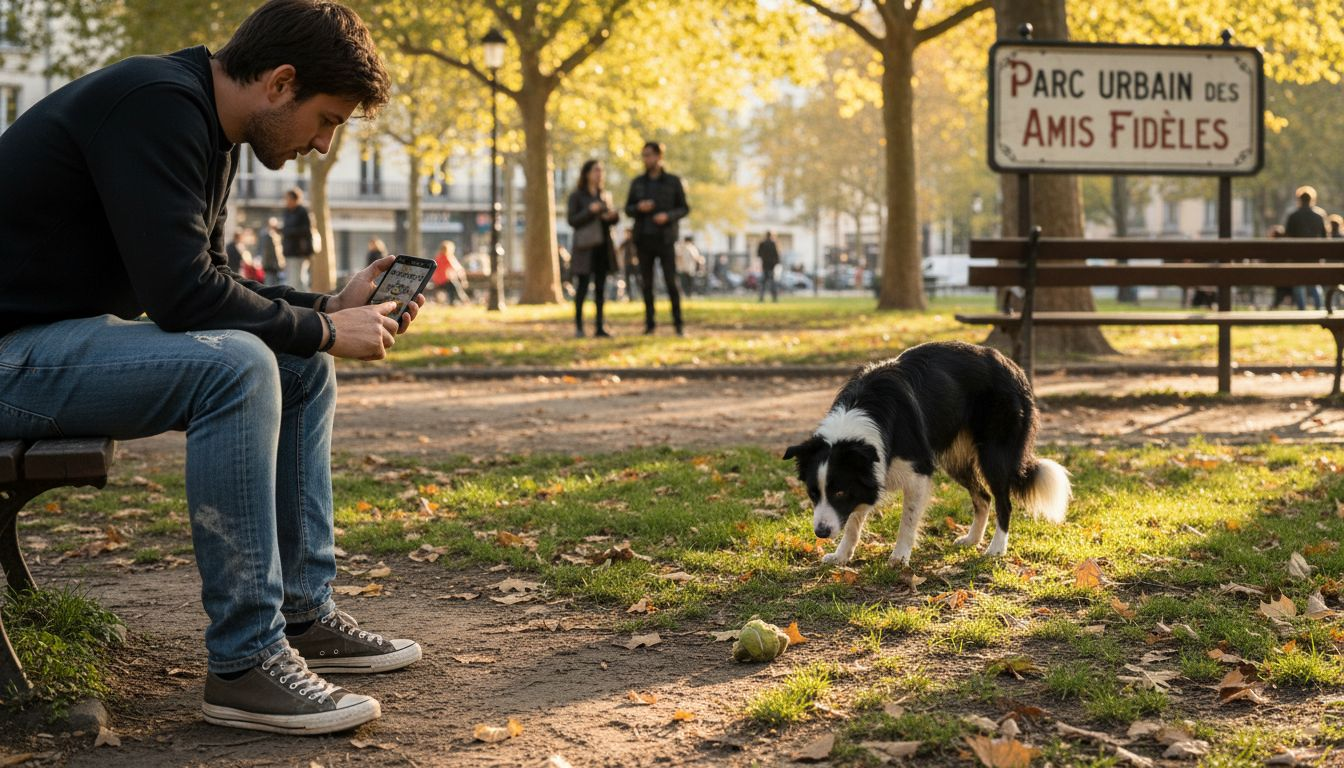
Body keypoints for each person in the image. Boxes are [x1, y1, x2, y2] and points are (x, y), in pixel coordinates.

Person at [0, 0, 421, 736]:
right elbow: (183, 298)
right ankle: (245, 662)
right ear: (281, 82)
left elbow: (210, 279)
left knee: (295, 366)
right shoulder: (156, 106)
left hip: (46, 343)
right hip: (11, 355)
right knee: (239, 367)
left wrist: (326, 305)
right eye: (327, 120)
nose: (324, 145)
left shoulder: (206, 124)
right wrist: (325, 327)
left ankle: (302, 614)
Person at [625, 141, 690, 336]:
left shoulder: (673, 181)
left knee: (671, 281)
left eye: (649, 155)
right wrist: (639, 208)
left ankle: (678, 324)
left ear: (659, 156)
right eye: (644, 155)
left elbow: (684, 208)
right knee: (647, 283)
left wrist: (668, 216)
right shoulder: (637, 183)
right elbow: (628, 208)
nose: (646, 159)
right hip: (643, 238)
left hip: (665, 239)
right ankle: (650, 324)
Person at [566, 159, 619, 337]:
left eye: (601, 171)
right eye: (596, 170)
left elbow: (612, 220)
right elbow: (572, 220)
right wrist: (590, 210)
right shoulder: (577, 196)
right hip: (585, 248)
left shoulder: (604, 195)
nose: (599, 174)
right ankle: (579, 327)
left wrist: (612, 216)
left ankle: (599, 326)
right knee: (581, 287)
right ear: (587, 173)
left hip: (603, 247)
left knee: (600, 289)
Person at [1283, 186, 1328, 310]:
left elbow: (1288, 235)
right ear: (1312, 199)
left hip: (1298, 255)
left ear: (1299, 199)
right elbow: (1325, 237)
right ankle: (1319, 307)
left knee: (1299, 283)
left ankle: (1302, 309)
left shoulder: (1294, 215)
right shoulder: (1319, 216)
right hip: (1314, 255)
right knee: (1314, 283)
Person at [282, 186, 314, 291]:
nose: (286, 201)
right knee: (292, 280)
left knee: (299, 280)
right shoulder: (286, 212)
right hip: (289, 252)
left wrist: (288, 231)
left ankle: (307, 301)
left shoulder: (302, 212)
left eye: (288, 198)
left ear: (295, 199)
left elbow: (306, 231)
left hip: (299, 252)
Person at [431, 240, 469, 304]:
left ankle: (455, 301)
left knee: (453, 284)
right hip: (443, 281)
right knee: (455, 286)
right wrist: (464, 280)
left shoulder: (438, 257)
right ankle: (463, 300)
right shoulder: (447, 257)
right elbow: (458, 269)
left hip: (437, 281)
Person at [259, 217, 286, 286]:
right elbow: (272, 252)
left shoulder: (274, 236)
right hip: (271, 265)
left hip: (273, 265)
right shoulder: (269, 236)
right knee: (270, 283)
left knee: (273, 283)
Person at [757, 231, 781, 303]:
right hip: (771, 266)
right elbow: (777, 256)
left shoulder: (762, 244)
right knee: (772, 283)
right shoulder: (773, 244)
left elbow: (758, 254)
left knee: (763, 283)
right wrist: (776, 263)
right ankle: (774, 298)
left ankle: (761, 297)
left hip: (765, 266)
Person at [617, 227, 639, 302]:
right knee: (627, 280)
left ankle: (640, 294)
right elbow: (619, 248)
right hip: (627, 263)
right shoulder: (625, 242)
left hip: (634, 263)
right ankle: (629, 296)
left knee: (638, 279)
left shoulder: (634, 241)